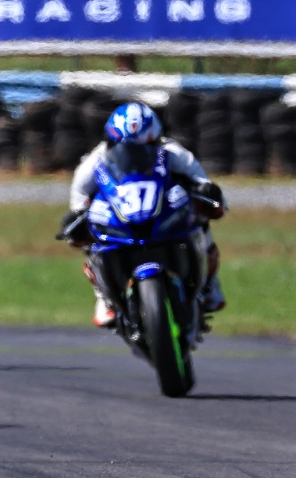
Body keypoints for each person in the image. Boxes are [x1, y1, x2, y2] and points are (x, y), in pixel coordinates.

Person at [61, 102, 225, 328]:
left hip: (164, 210)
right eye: (126, 148)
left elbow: (209, 190)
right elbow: (77, 209)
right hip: (118, 215)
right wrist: (75, 224)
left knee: (201, 221)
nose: (136, 156)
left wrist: (208, 195)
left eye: (145, 148)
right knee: (89, 239)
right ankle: (104, 296)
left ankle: (209, 284)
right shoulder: (90, 166)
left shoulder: (174, 153)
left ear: (156, 141)